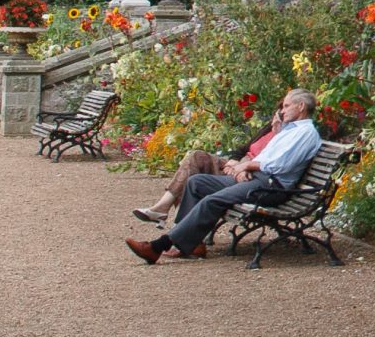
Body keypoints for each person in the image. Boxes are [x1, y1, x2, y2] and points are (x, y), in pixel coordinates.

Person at [127, 88, 322, 263]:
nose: (282, 110)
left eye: (287, 106)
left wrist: (245, 167)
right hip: (259, 179)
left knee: (212, 200)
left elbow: (279, 165)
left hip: (271, 186)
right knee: (196, 182)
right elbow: (265, 157)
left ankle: (158, 246)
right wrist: (245, 167)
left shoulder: (305, 133)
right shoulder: (290, 130)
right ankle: (190, 242)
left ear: (301, 106)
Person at [132, 122, 285, 226]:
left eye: (285, 108)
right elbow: (244, 148)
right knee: (196, 157)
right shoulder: (270, 128)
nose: (280, 113)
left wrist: (244, 167)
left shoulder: (288, 136)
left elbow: (270, 162)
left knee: (195, 179)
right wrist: (234, 160)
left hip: (250, 174)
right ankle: (164, 208)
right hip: (239, 166)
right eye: (280, 108)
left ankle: (167, 215)